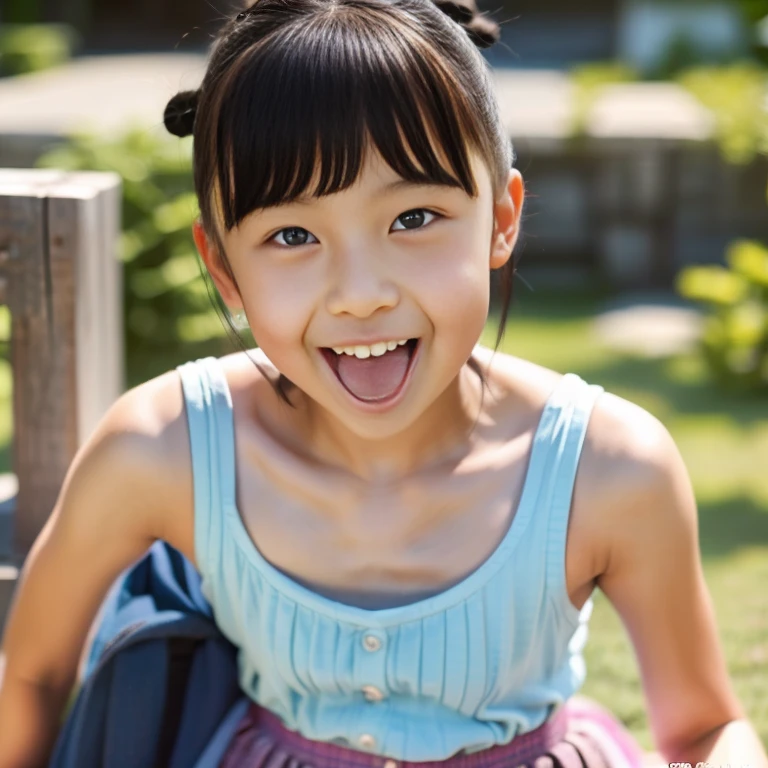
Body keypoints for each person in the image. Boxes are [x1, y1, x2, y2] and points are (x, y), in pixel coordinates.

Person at [0, 0, 766, 765]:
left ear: (501, 219)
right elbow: (32, 671)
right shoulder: (162, 448)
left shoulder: (609, 468)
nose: (360, 293)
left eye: (414, 218)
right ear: (224, 270)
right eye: (292, 235)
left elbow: (703, 727)